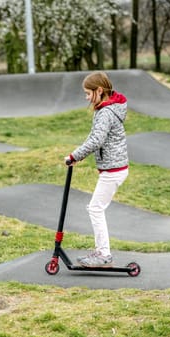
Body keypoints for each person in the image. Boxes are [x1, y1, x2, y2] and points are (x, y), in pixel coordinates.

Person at [65, 71, 129, 268]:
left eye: (87, 93)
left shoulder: (106, 113)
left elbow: (96, 140)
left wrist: (74, 155)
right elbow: (94, 138)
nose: (86, 98)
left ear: (99, 90)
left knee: (95, 208)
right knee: (96, 208)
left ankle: (103, 255)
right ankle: (102, 252)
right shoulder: (108, 109)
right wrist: (77, 155)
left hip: (113, 169)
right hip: (114, 168)